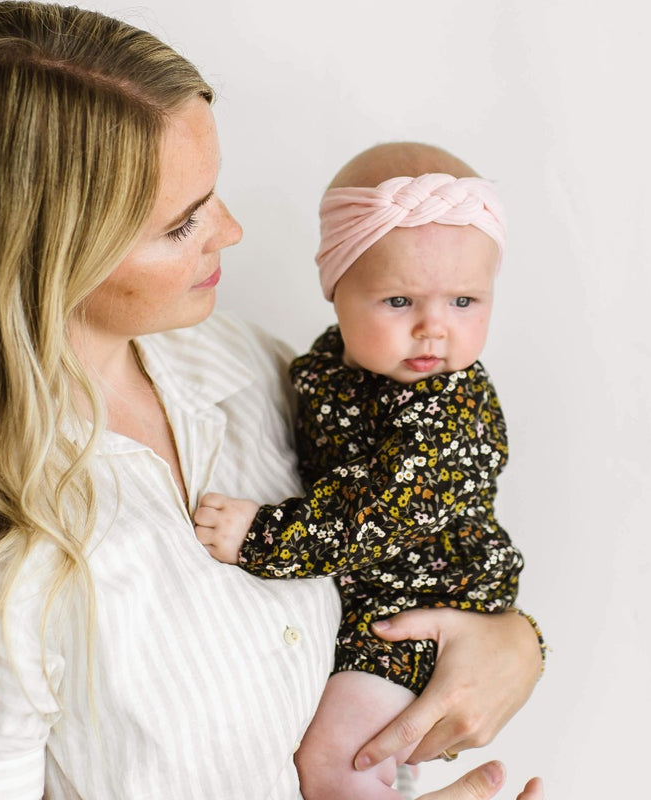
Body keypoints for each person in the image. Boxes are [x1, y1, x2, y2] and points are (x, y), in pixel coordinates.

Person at [0, 2, 543, 798]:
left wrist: (512, 643)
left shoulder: (251, 367)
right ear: (42, 251)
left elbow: (414, 526)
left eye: (212, 193)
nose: (229, 231)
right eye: (181, 224)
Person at [194, 142, 542, 798]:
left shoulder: (449, 410)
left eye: (465, 301)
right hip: (367, 599)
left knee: (337, 763)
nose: (434, 330)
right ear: (337, 290)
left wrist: (261, 536)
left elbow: (377, 516)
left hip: (421, 605)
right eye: (399, 301)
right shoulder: (326, 366)